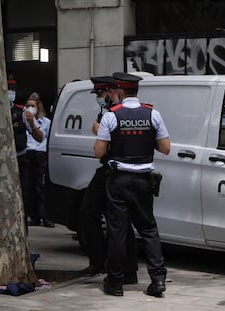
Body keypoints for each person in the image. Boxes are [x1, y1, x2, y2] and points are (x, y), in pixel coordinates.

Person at [94, 72, 170, 297]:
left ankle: (115, 283)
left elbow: (100, 151)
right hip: (144, 180)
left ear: (119, 91)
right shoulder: (152, 113)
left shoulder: (111, 116)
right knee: (148, 229)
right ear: (137, 90)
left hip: (118, 180)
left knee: (117, 231)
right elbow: (165, 147)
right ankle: (157, 281)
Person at [78, 76, 138, 284]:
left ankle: (118, 267)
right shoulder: (108, 111)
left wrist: (99, 132)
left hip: (114, 169)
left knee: (110, 217)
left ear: (112, 91)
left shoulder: (118, 111)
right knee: (102, 216)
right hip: (109, 168)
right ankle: (108, 263)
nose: (99, 98)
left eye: (101, 94)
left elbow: (120, 142)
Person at [24, 92, 54, 228]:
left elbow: (47, 140)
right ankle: (34, 216)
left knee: (41, 186)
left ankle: (45, 216)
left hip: (41, 154)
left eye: (33, 105)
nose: (30, 108)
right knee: (29, 187)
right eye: (28, 105)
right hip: (28, 152)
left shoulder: (46, 122)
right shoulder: (23, 120)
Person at [8, 79, 30, 231]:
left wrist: (33, 124)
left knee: (23, 197)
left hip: (20, 158)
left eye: (13, 90)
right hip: (4, 163)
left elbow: (37, 135)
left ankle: (23, 231)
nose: (11, 93)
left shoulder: (21, 112)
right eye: (9, 89)